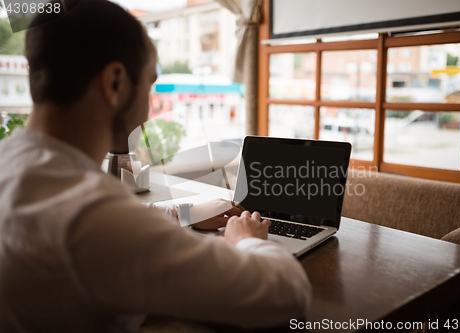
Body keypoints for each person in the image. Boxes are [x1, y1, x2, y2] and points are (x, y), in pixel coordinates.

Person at [0, 1, 311, 332]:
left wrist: (186, 212)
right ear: (115, 83)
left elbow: (118, 221)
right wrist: (245, 240)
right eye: (149, 85)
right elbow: (288, 295)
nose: (149, 111)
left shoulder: (16, 165)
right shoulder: (90, 216)